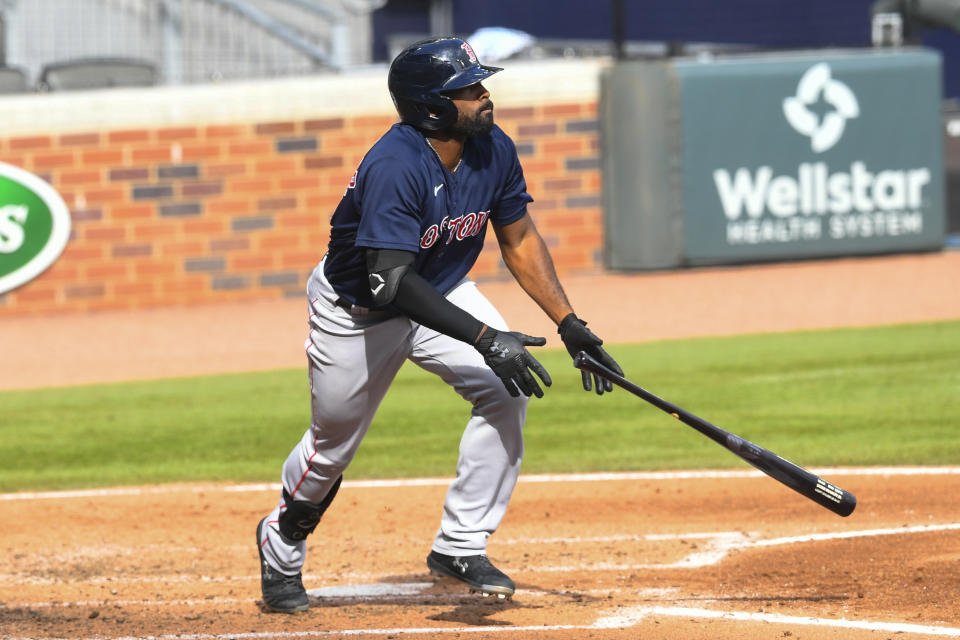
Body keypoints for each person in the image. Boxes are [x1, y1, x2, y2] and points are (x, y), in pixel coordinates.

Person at [255, 36, 623, 613]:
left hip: (442, 289)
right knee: (332, 449)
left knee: (505, 389)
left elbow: (519, 237)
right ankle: (282, 542)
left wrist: (570, 322)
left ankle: (460, 544)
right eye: (469, 89)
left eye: (480, 84)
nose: (484, 96)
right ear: (431, 106)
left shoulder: (491, 147)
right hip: (359, 312)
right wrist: (484, 337)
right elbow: (390, 283)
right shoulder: (394, 166)